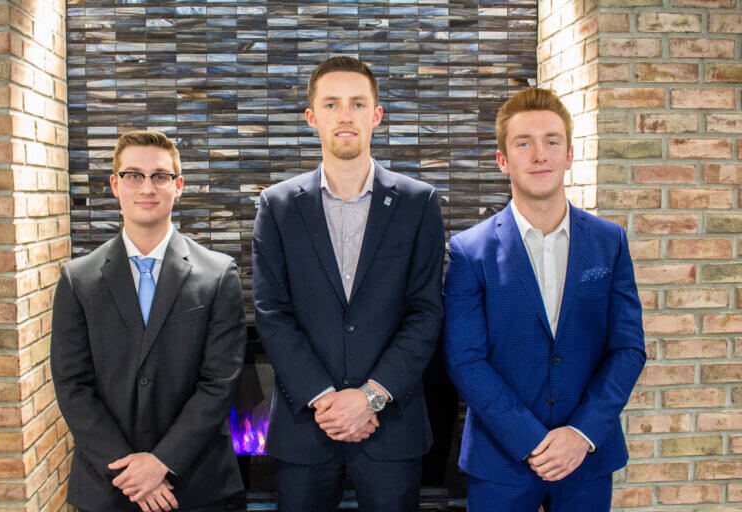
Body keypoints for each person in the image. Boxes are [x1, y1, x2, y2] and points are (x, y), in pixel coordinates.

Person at [252, 56, 445, 512]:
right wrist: (325, 399)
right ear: (311, 117)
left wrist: (370, 398)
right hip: (305, 428)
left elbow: (425, 313)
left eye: (358, 103)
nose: (345, 115)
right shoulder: (277, 205)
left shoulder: (419, 202)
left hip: (392, 427)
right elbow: (271, 314)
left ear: (376, 115)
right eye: (332, 104)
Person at [443, 88, 646, 511]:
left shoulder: (610, 242)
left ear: (569, 154)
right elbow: (464, 360)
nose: (540, 155)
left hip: (587, 458)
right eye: (524, 143)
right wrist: (532, 440)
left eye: (552, 141)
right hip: (502, 462)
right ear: (503, 161)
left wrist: (582, 433)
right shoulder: (468, 251)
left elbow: (628, 348)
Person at [51, 131, 246, 512]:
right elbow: (72, 386)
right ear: (114, 185)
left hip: (198, 485)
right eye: (133, 175)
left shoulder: (218, 274)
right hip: (108, 487)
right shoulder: (78, 280)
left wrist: (162, 462)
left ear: (178, 187)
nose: (147, 187)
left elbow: (220, 382)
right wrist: (130, 472)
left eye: (160, 176)